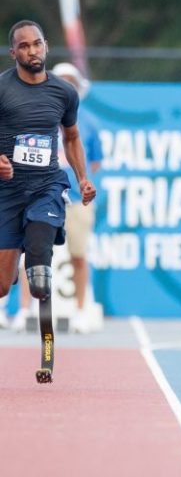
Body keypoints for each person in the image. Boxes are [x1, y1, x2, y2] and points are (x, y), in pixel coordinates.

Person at [0, 20, 97, 381]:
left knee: (40, 271)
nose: (32, 51)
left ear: (46, 46)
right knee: (1, 283)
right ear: (14, 53)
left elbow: (71, 138)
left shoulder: (63, 93)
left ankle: (46, 353)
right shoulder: (2, 88)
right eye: (24, 46)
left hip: (47, 187)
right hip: (7, 193)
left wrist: (83, 177)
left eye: (37, 44)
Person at [11, 62, 103, 334]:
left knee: (78, 255)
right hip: (39, 195)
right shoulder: (38, 114)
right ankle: (24, 310)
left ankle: (80, 311)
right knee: (31, 253)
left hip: (74, 199)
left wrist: (75, 173)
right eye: (62, 81)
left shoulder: (89, 122)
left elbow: (95, 161)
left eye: (71, 82)